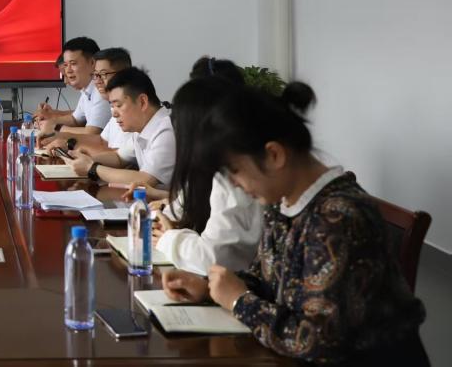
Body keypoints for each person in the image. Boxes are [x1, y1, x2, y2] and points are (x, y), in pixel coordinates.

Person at [162, 83, 429, 365]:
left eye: (235, 171)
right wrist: (210, 289)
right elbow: (264, 280)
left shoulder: (338, 219)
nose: (235, 184)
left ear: (274, 155)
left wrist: (239, 301)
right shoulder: (282, 203)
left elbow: (316, 340)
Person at [151, 76, 262, 275]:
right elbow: (173, 215)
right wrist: (166, 225)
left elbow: (213, 259)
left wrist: (170, 238)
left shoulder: (233, 177)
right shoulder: (203, 171)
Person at [62, 67, 174, 188]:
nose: (114, 114)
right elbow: (119, 158)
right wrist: (87, 159)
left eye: (119, 105)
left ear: (142, 102)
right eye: (112, 106)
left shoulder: (166, 129)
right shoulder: (141, 128)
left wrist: (91, 167)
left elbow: (146, 179)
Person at [40, 47, 132, 152]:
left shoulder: (131, 109)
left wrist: (59, 130)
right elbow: (101, 141)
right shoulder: (113, 106)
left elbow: (119, 156)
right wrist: (61, 136)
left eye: (103, 74)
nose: (98, 81)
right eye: (96, 75)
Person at [33, 36, 111, 135]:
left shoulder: (101, 90)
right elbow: (75, 119)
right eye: (66, 65)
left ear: (92, 63)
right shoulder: (87, 90)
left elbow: (92, 132)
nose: (68, 70)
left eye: (73, 64)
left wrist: (56, 127)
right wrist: (49, 121)